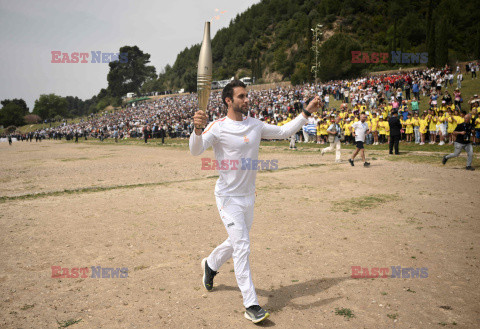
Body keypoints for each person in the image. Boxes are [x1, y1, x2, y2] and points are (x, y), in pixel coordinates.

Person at [189, 80, 322, 324]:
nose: (246, 100)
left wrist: (305, 112)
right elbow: (195, 151)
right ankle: (251, 304)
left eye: (247, 95)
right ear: (229, 100)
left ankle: (210, 264)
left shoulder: (255, 125)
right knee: (242, 246)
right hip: (227, 197)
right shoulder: (217, 127)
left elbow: (283, 132)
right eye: (241, 96)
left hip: (249, 197)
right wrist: (197, 131)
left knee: (237, 241)